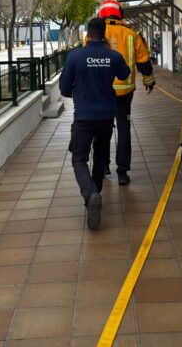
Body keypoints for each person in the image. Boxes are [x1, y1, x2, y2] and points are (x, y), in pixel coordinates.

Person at [60, 17, 130, 230]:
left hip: (83, 118)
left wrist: (79, 93)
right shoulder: (113, 56)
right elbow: (124, 74)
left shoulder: (75, 56)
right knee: (100, 157)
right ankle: (94, 194)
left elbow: (63, 89)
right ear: (105, 34)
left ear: (87, 34)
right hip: (107, 116)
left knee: (79, 159)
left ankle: (90, 195)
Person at [96, 0, 156, 185]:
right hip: (124, 94)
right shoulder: (132, 35)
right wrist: (149, 80)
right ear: (119, 14)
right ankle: (122, 172)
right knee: (123, 130)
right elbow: (144, 61)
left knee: (101, 130)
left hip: (101, 93)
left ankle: (103, 166)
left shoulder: (93, 34)